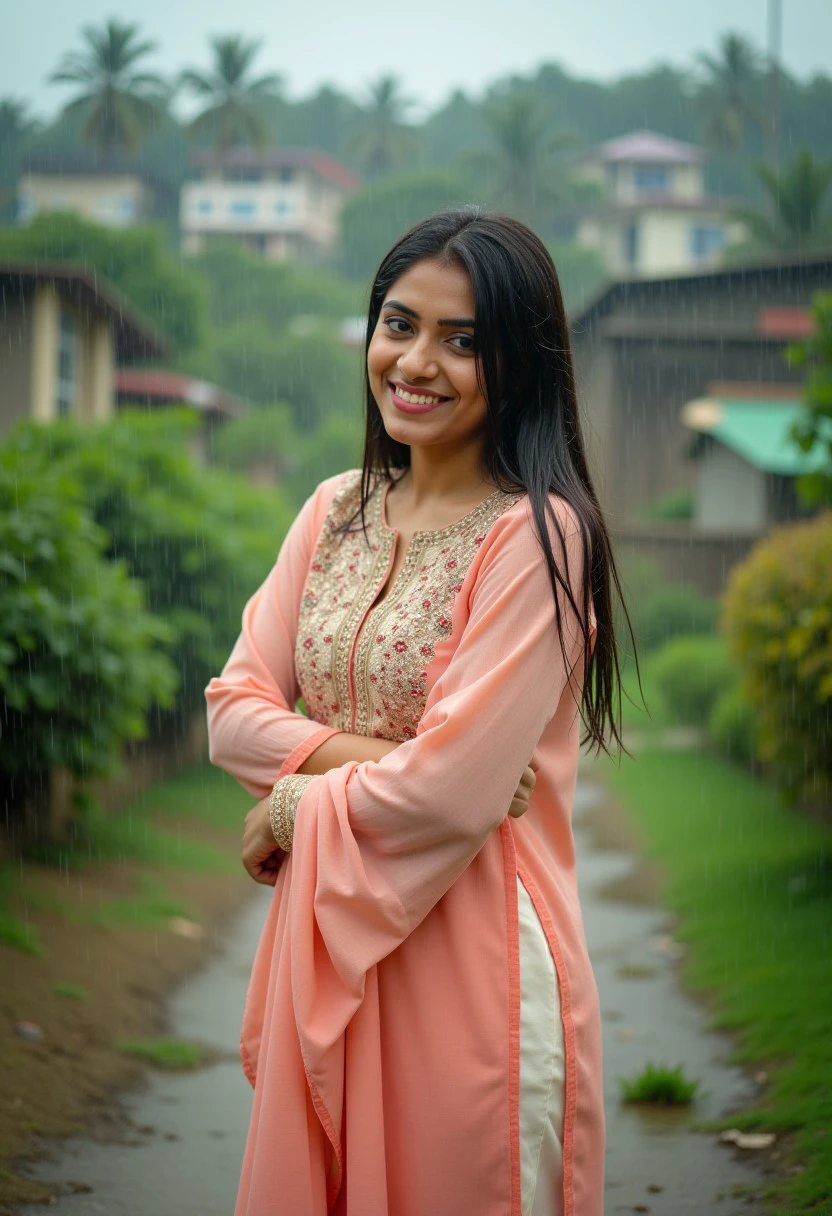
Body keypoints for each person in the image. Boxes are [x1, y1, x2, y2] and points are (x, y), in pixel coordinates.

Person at [205, 208, 629, 1216]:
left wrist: (289, 807)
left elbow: (450, 794)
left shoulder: (539, 536)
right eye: (399, 324)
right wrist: (378, 761)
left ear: (519, 362)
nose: (417, 361)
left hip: (476, 956)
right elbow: (230, 712)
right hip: (333, 929)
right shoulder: (332, 510)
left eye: (463, 340)